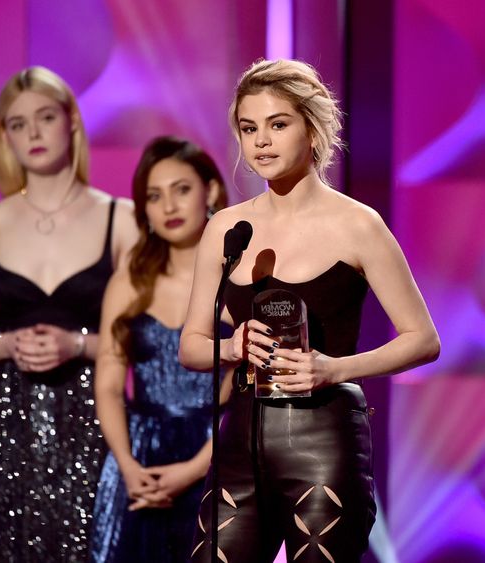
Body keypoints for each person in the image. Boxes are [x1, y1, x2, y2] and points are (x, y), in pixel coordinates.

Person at [179, 59, 441, 562]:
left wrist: (334, 368)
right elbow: (191, 346)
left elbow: (422, 338)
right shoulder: (228, 229)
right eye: (248, 128)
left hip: (326, 440)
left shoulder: (357, 225)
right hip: (241, 438)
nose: (261, 142)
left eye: (278, 125)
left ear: (313, 129)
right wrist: (231, 346)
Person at [0, 66, 138, 561]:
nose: (32, 132)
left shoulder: (121, 218)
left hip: (97, 418)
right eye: (17, 123)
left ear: (71, 121)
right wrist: (8, 344)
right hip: (7, 426)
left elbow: (148, 337)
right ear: (4, 137)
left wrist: (78, 345)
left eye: (45, 117)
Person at [89, 136, 230, 562]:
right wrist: (129, 468)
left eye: (181, 190)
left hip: (217, 452)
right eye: (154, 196)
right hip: (139, 460)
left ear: (212, 191)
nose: (168, 206)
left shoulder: (238, 276)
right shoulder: (130, 279)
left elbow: (249, 389)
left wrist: (195, 469)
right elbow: (110, 385)